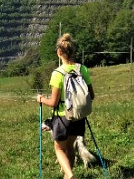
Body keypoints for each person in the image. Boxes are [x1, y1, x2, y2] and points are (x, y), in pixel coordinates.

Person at [36, 33, 93, 179]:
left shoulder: (57, 73)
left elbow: (53, 103)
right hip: (79, 117)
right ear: (72, 51)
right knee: (70, 147)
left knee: (59, 149)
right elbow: (91, 95)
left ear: (58, 52)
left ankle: (69, 174)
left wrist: (41, 99)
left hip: (63, 118)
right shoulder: (83, 69)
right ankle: (67, 177)